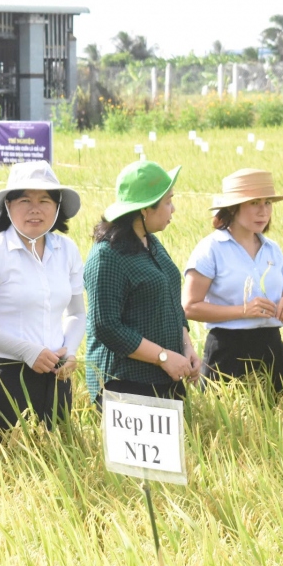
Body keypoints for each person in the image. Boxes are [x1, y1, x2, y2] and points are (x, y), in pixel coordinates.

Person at [0, 161, 85, 451]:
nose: (35, 209)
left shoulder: (67, 250)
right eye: (25, 200)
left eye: (45, 200)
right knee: (5, 470)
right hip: (7, 377)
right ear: (8, 205)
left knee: (61, 462)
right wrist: (27, 351)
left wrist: (72, 350)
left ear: (57, 208)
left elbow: (77, 312)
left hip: (57, 375)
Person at [84, 160, 201, 404]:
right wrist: (163, 357)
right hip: (125, 385)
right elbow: (106, 326)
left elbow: (171, 300)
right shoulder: (107, 256)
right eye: (168, 202)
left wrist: (185, 347)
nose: (173, 209)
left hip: (166, 377)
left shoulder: (151, 243)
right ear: (145, 210)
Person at [182, 169, 283, 393]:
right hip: (227, 350)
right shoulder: (211, 249)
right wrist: (243, 311)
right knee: (228, 424)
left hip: (271, 348)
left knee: (276, 422)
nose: (263, 211)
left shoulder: (273, 249)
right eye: (254, 203)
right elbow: (189, 307)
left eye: (267, 203)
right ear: (233, 208)